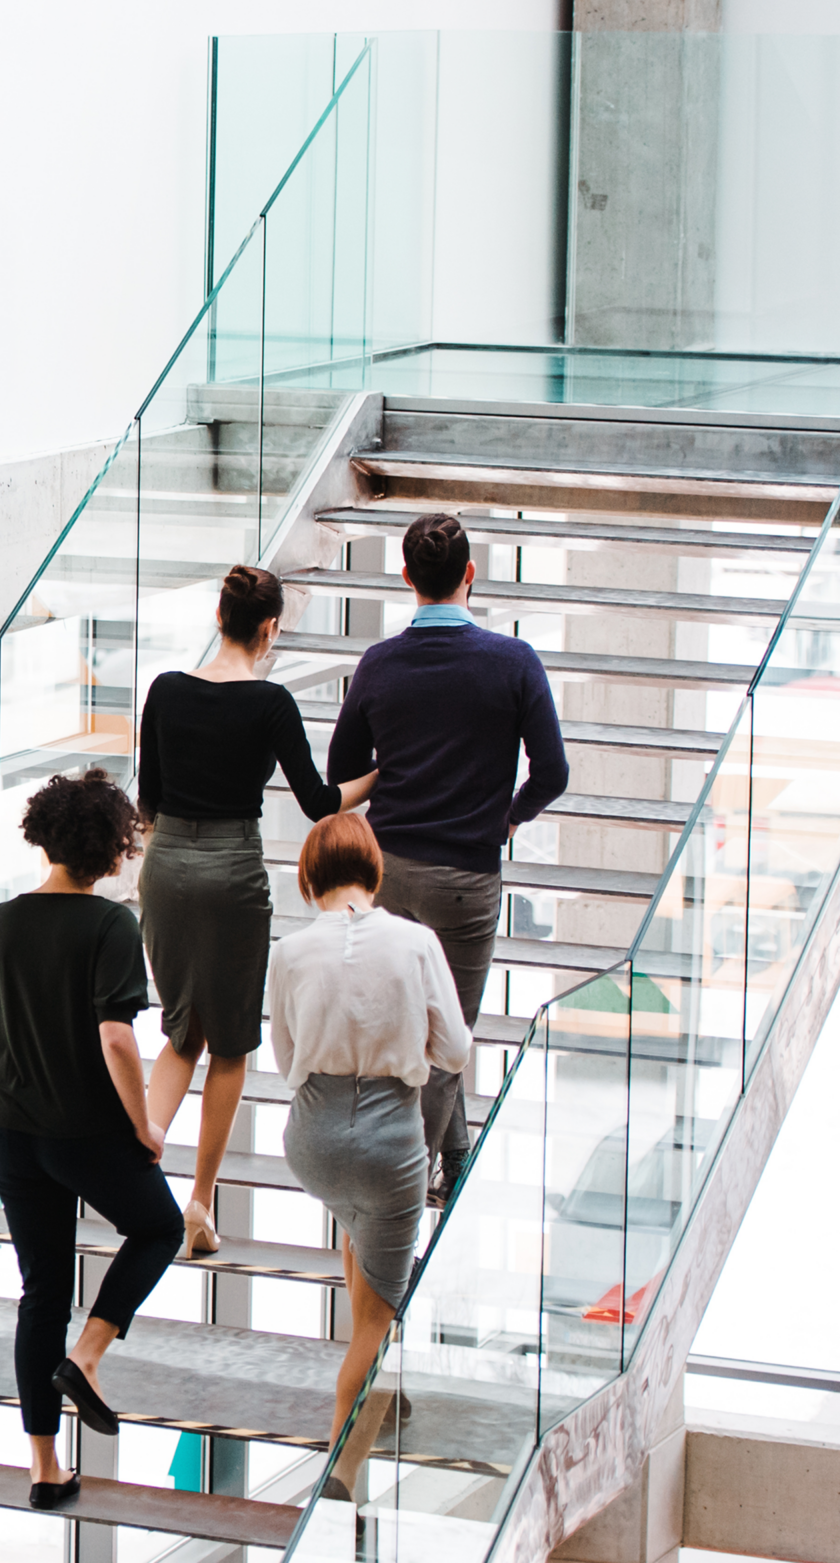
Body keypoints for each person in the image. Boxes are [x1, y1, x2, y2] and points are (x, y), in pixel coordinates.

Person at [0, 767, 183, 1511]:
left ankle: (45, 1470)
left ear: (45, 835)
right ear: (112, 849)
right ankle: (87, 1357)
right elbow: (117, 1039)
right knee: (159, 1226)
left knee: (41, 1293)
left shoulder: (3, 920)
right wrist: (145, 1124)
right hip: (83, 1133)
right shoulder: (111, 925)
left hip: (15, 1137)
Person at [325, 513, 567, 1203]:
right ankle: (412, 1175)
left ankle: (453, 1161)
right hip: (468, 877)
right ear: (470, 574)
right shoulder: (513, 662)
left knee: (411, 1023)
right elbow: (551, 771)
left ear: (407, 579)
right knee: (448, 1035)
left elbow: (345, 769)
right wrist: (508, 815)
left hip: (391, 870)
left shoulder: (379, 664)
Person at [138, 565, 374, 1257]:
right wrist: (383, 774)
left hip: (167, 867)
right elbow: (320, 803)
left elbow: (149, 797)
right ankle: (201, 1204)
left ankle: (139, 1169)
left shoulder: (166, 690)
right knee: (231, 1043)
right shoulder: (271, 703)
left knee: (180, 1031)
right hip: (233, 872)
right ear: (268, 627)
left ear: (219, 614)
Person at [266, 813, 471, 1453]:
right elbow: (456, 1052)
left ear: (308, 877)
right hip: (390, 1142)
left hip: (313, 1140)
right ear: (374, 872)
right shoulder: (415, 943)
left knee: (358, 1230)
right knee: (374, 1327)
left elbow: (283, 1058)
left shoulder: (290, 953)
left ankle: (381, 1395)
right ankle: (342, 1475)